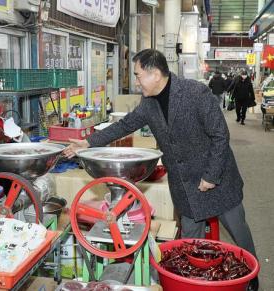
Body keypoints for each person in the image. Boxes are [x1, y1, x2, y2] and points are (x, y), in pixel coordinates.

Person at [63, 49, 259, 291]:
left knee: (239, 234)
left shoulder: (195, 93)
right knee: (189, 243)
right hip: (186, 185)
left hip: (217, 179)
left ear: (155, 74)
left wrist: (211, 175)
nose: (136, 81)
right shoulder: (149, 104)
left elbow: (220, 135)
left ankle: (251, 278)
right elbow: (125, 125)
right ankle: (196, 283)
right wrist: (89, 142)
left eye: (138, 75)